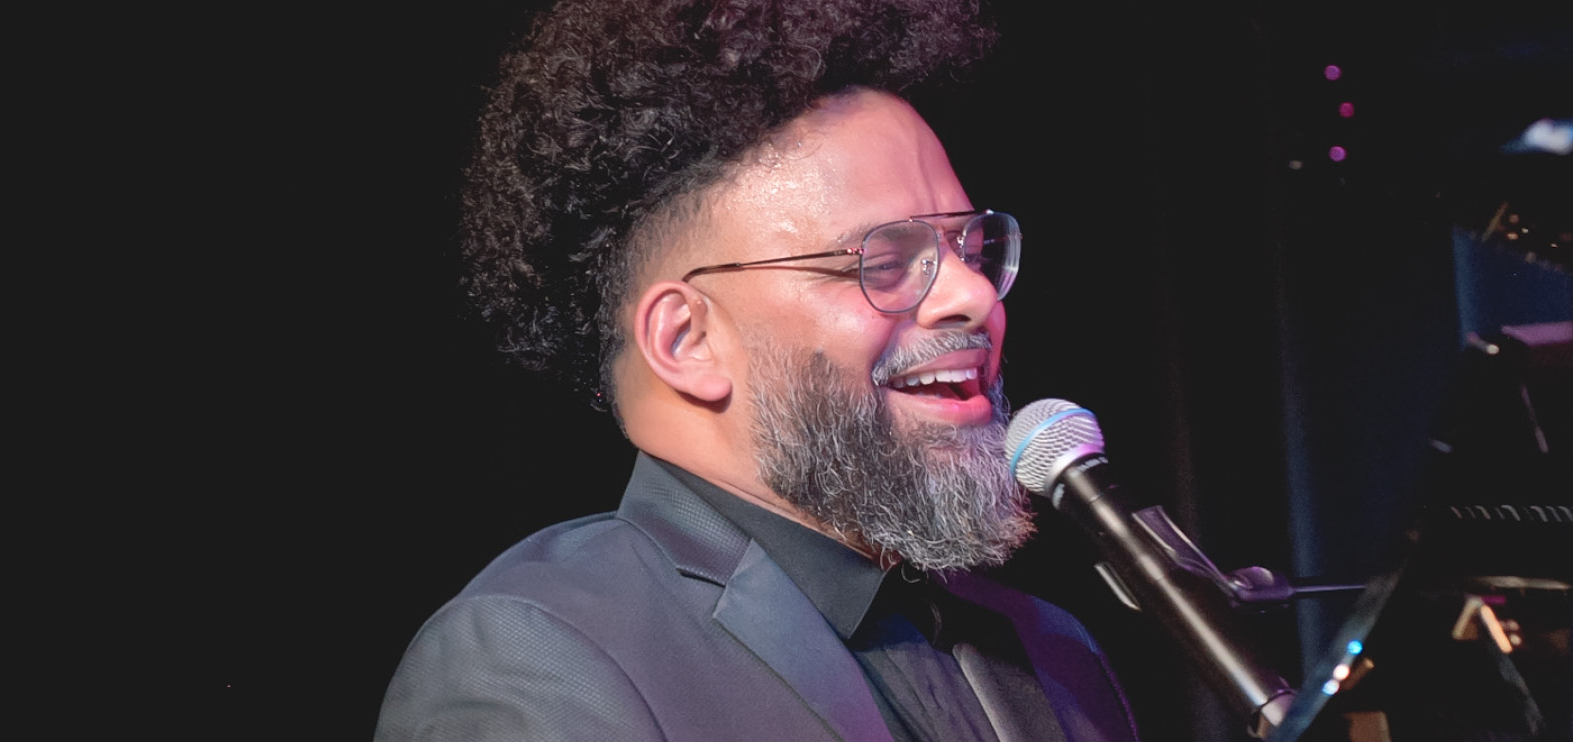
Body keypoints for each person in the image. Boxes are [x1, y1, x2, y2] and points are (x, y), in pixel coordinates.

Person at [374, 1, 1140, 740]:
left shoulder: (1053, 651)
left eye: (970, 251)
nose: (973, 296)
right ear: (688, 341)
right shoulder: (541, 656)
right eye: (884, 260)